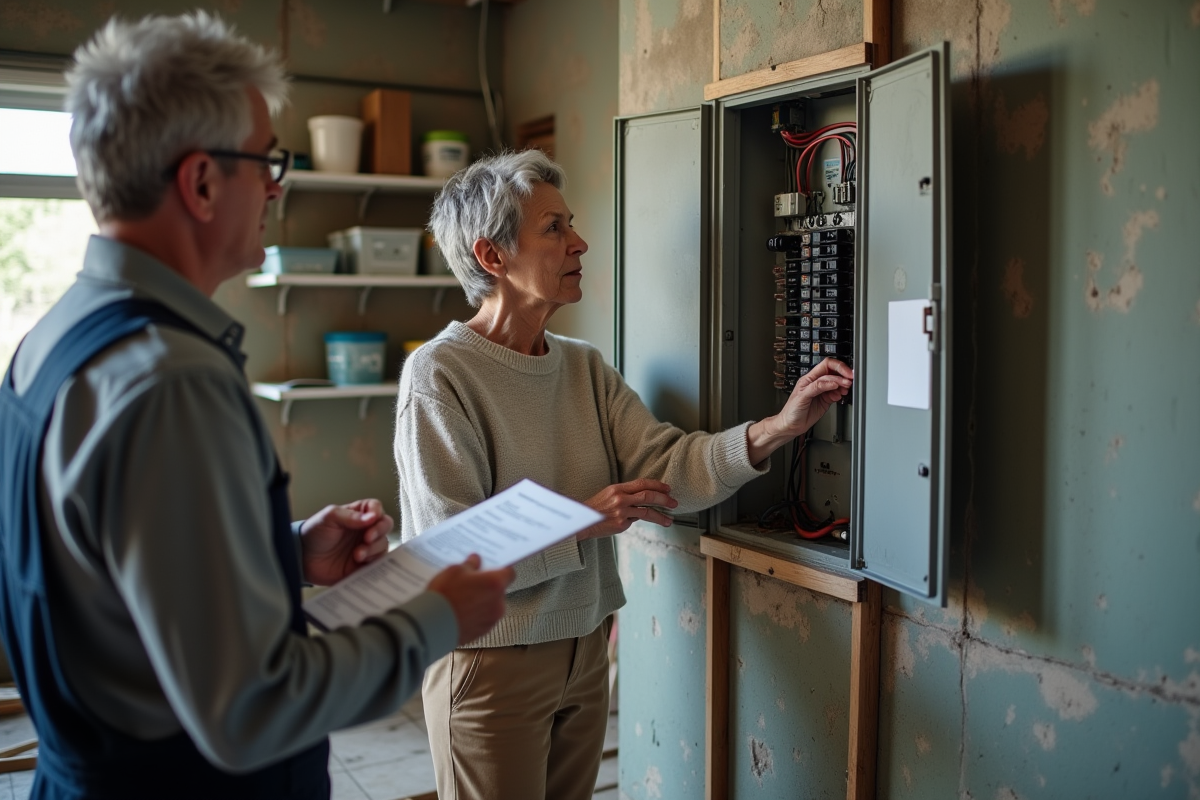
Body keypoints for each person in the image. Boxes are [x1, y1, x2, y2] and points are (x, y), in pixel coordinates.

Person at [0, 13, 514, 800]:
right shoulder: (172, 384)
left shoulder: (53, 339)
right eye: (267, 160)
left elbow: (105, 568)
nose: (277, 186)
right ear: (202, 182)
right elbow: (252, 707)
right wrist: (437, 619)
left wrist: (284, 549)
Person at [394, 148, 855, 799]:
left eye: (570, 223)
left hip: (586, 651)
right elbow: (450, 557)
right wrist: (582, 520)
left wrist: (778, 428)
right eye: (554, 228)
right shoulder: (440, 375)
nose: (579, 242)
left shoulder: (582, 367)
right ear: (492, 256)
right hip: (488, 661)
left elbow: (669, 468)